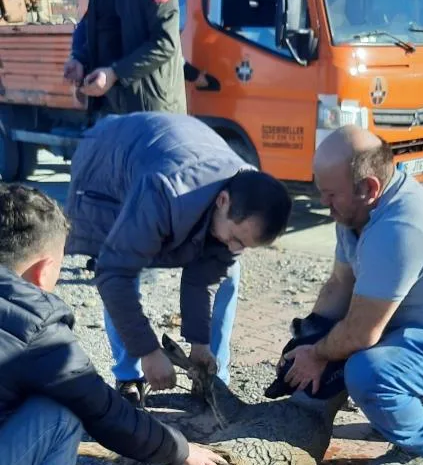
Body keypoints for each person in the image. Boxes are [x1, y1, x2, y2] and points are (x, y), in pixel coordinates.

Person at [0, 184, 228, 465]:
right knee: (60, 414)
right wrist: (183, 451)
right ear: (45, 268)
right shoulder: (34, 325)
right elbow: (108, 415)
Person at [65, 111, 292, 403]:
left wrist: (200, 343)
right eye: (236, 237)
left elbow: (203, 277)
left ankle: (212, 376)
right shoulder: (164, 192)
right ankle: (129, 376)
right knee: (120, 266)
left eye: (245, 244)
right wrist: (148, 350)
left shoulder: (247, 190)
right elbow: (114, 274)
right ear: (223, 201)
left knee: (229, 274)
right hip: (107, 164)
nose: (235, 247)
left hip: (168, 157)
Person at [279, 125, 423, 465]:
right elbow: (341, 284)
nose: (326, 207)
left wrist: (319, 355)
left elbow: (360, 331)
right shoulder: (358, 212)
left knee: (367, 372)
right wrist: (308, 337)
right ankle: (422, 397)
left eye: (331, 196)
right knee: (339, 343)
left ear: (369, 187)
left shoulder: (399, 230)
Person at [63, 0, 186, 119]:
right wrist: (80, 60)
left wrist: (115, 73)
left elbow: (165, 41)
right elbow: (100, 26)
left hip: (149, 109)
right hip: (109, 105)